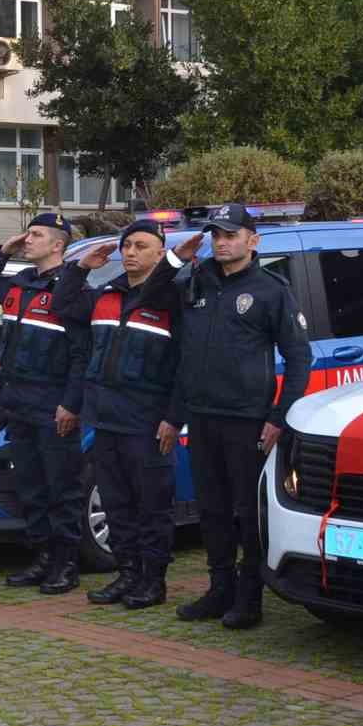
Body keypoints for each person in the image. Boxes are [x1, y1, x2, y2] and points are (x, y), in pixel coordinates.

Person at [147, 204, 312, 629]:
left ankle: (249, 596)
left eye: (231, 235)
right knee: (212, 509)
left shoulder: (271, 290)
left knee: (245, 511)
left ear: (252, 241)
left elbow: (298, 359)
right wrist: (175, 259)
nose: (222, 242)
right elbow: (151, 297)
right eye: (216, 235)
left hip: (247, 419)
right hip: (202, 416)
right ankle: (218, 589)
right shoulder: (197, 281)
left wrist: (279, 416)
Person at [53, 220, 187, 611]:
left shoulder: (170, 302)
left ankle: (153, 580)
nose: (130, 252)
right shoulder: (105, 296)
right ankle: (127, 573)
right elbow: (63, 305)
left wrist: (173, 417)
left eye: (141, 246)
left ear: (160, 254)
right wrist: (80, 268)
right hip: (105, 418)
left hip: (147, 422)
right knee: (116, 504)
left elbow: (184, 366)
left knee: (152, 506)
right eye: (127, 245)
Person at [0, 213, 86, 595]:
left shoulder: (69, 291)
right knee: (31, 487)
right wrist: (2, 250)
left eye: (36, 235)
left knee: (62, 488)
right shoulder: (20, 285)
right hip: (17, 403)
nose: (27, 240)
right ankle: (41, 558)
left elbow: (80, 355)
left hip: (52, 405)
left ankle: (66, 563)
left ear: (58, 245)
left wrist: (71, 404)